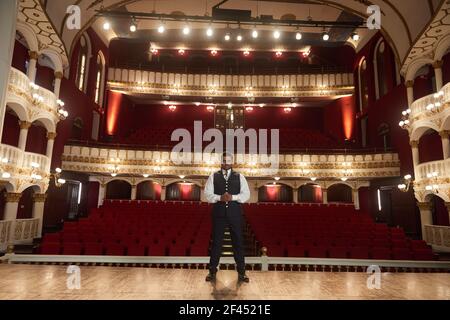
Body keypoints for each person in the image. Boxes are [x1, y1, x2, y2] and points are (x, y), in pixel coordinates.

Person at [204, 152, 251, 283]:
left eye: (228, 160)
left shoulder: (240, 176)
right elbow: (207, 194)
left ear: (232, 162)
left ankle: (242, 273)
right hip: (218, 214)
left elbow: (246, 194)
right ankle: (212, 272)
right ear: (221, 162)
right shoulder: (213, 176)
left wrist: (233, 197)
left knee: (238, 243)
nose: (226, 163)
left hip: (235, 214)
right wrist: (219, 198)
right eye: (224, 160)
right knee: (216, 243)